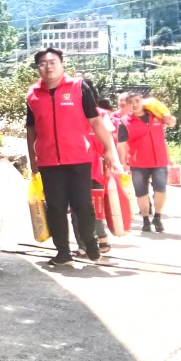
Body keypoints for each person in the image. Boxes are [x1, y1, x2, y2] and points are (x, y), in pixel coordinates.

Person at [24, 48, 119, 266]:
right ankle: (63, 252)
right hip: (48, 160)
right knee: (55, 207)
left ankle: (90, 242)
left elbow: (95, 121)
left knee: (82, 204)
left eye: (53, 62)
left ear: (61, 64)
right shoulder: (33, 94)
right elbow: (31, 129)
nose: (48, 67)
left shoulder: (79, 87)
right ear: (38, 68)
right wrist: (33, 158)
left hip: (78, 157)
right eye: (42, 64)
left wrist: (109, 149)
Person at [117, 90, 178, 232]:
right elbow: (121, 144)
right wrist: (122, 163)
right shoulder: (124, 122)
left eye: (137, 101)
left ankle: (157, 217)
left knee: (160, 190)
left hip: (159, 161)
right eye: (130, 102)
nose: (134, 105)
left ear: (142, 101)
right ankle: (145, 219)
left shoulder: (155, 115)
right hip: (138, 163)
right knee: (141, 192)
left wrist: (169, 117)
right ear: (127, 105)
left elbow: (171, 123)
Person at [71, 84, 115, 257]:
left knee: (93, 206)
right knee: (77, 208)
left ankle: (101, 238)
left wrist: (114, 163)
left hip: (96, 167)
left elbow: (110, 142)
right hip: (75, 164)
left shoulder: (102, 115)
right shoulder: (69, 112)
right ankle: (83, 244)